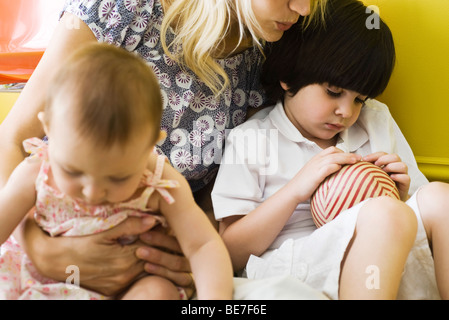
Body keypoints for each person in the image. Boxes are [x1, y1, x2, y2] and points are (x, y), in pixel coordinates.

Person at [0, 0, 326, 297]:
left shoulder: (270, 50)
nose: (303, 9)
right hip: (37, 257)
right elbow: (12, 139)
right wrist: (39, 249)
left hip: (146, 271)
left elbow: (219, 214)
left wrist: (184, 258)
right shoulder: (125, 9)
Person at [212, 0, 448, 299]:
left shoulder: (374, 120)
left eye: (360, 98)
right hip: (299, 263)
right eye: (333, 92)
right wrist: (295, 190)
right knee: (385, 214)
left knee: (440, 197)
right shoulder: (253, 139)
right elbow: (228, 252)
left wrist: (401, 195)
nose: (346, 112)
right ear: (288, 76)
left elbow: (415, 212)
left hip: (382, 252)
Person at [0, 43, 233, 300]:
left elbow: (203, 245)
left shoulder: (161, 183)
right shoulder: (36, 171)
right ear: (48, 129)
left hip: (127, 290)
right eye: (72, 171)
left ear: (149, 147)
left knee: (158, 292)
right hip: (41, 284)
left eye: (118, 177)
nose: (93, 191)